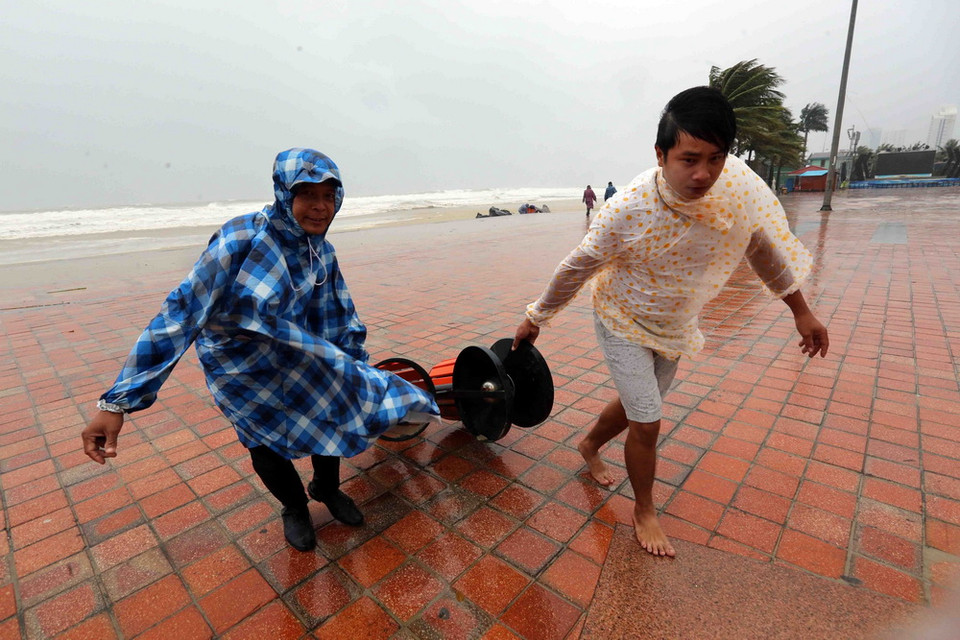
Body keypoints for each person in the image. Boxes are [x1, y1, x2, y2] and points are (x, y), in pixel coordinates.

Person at [513, 87, 828, 558]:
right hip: (621, 318)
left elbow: (760, 248)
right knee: (648, 419)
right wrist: (536, 317)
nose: (703, 174)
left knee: (640, 405)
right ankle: (644, 510)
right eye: (689, 159)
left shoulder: (732, 192)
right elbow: (578, 265)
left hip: (673, 323)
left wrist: (801, 310)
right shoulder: (628, 208)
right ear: (660, 155)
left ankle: (589, 444)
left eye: (716, 159)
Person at [81, 148, 440, 552]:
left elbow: (338, 310)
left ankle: (326, 487)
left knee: (334, 411)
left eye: (329, 195)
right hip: (242, 370)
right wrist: (117, 403)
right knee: (262, 441)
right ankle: (294, 507)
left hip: (300, 356)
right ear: (284, 193)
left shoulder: (320, 250)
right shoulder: (241, 239)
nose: (320, 207)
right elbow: (181, 314)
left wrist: (352, 364)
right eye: (308, 194)